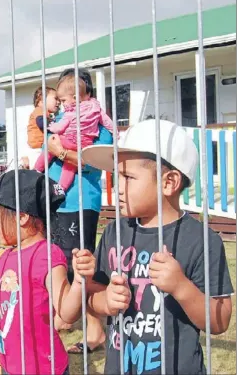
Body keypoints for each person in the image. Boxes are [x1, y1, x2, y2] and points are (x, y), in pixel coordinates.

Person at [81, 119, 233, 375]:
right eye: (116, 176)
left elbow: (220, 321)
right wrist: (103, 302)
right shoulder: (114, 232)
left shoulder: (202, 240)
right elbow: (92, 292)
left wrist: (181, 287)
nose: (117, 187)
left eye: (127, 177)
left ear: (169, 182)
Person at [0, 170, 96, 375]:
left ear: (22, 217)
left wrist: (81, 282)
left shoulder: (46, 255)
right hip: (10, 366)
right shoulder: (4, 257)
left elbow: (67, 312)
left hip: (42, 368)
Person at [47, 67, 112, 353]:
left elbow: (97, 159)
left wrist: (60, 152)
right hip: (57, 199)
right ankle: (65, 315)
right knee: (58, 263)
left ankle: (97, 331)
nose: (65, 104)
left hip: (82, 202)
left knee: (81, 267)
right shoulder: (64, 117)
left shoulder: (98, 122)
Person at [34, 74, 115, 191]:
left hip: (84, 198)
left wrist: (62, 153)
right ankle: (60, 187)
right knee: (70, 167)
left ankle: (38, 171)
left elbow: (94, 161)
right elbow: (45, 147)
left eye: (63, 100)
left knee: (68, 165)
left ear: (87, 93)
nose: (61, 103)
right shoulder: (57, 118)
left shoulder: (100, 127)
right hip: (51, 199)